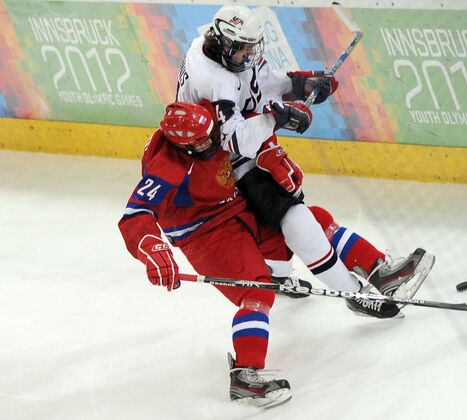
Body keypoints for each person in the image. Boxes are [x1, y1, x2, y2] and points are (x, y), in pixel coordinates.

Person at [175, 3, 432, 318]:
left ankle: (373, 270)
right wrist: (278, 119)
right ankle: (353, 293)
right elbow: (236, 139)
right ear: (226, 44)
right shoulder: (214, 79)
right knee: (296, 218)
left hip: (236, 158)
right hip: (218, 171)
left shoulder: (224, 54)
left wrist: (300, 85)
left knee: (306, 217)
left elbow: (261, 80)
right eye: (244, 50)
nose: (249, 55)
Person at [118, 101, 292, 408]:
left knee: (305, 224)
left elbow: (247, 120)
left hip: (238, 206)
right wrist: (152, 248)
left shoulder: (205, 116)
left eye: (208, 135)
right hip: (207, 233)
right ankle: (245, 374)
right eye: (198, 143)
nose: (209, 143)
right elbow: (135, 215)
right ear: (180, 144)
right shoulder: (167, 165)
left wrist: (270, 142)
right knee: (257, 293)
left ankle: (373, 274)